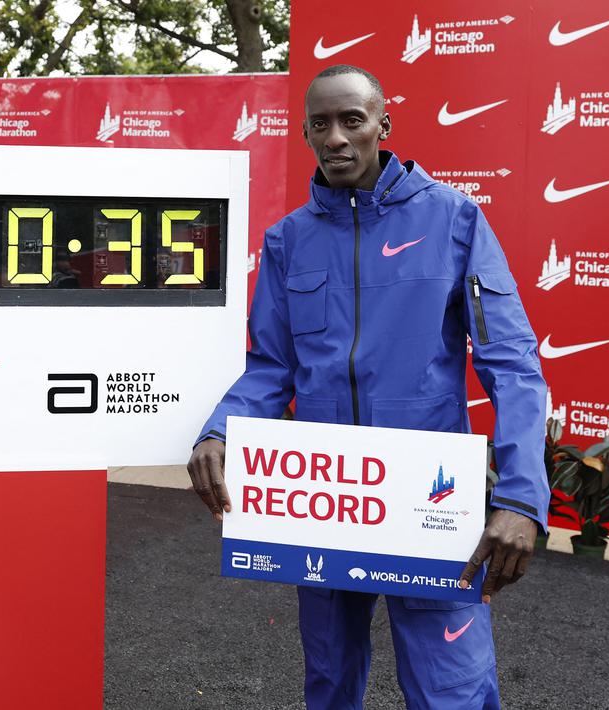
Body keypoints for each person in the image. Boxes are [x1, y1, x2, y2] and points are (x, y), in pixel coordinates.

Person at [187, 64, 548, 709]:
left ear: (384, 124)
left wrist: (521, 500)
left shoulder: (455, 222)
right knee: (328, 685)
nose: (337, 138)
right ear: (303, 133)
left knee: (452, 693)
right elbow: (271, 366)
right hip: (325, 497)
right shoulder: (287, 242)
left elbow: (513, 365)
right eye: (320, 124)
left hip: (430, 503)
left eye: (353, 120)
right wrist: (220, 428)